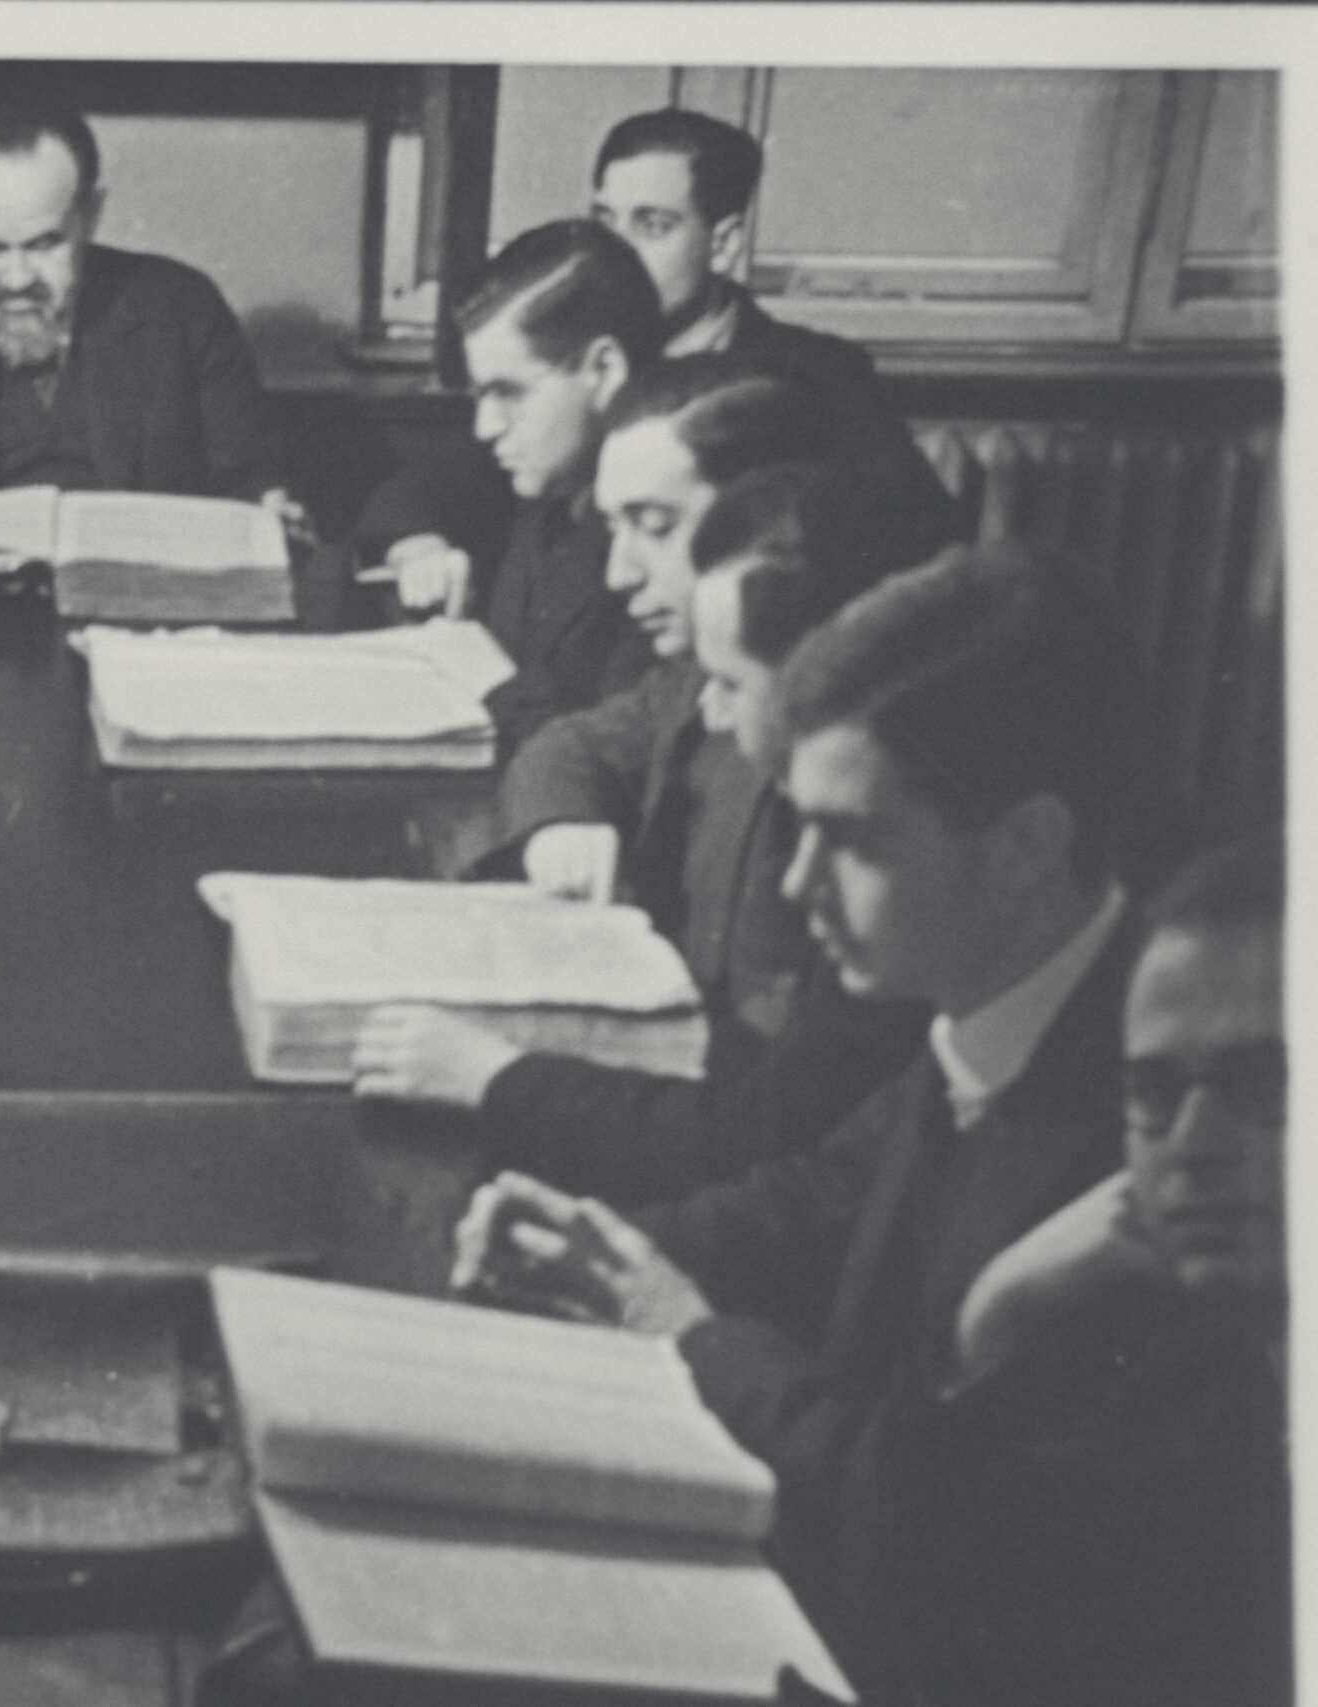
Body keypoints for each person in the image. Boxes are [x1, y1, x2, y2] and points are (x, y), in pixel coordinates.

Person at [446, 543, 1160, 1701]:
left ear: (1028, 844)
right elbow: (819, 1193)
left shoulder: (1168, 1125)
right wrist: (603, 1248)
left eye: (857, 840)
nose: (796, 887)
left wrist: (674, 1322)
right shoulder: (1003, 991)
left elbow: (919, 1515)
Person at [355, 409, 955, 1208]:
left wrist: (500, 1080)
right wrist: (562, 820)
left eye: (653, 525)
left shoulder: (886, 845)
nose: (619, 573)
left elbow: (769, 1130)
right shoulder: (715, 661)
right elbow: (579, 743)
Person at [895, 835, 1290, 1707]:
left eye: (1265, 1083)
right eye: (1153, 1091)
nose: (1191, 1143)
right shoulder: (1192, 1358)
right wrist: (994, 1317)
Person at [0, 91, 291, 549]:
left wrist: (270, 509)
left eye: (44, 245)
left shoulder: (183, 311)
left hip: (146, 620)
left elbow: (249, 480)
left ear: (92, 214)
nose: (16, 278)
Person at [359, 220, 666, 749]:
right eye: (482, 395)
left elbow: (615, 753)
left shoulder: (664, 536)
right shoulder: (551, 479)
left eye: (509, 393)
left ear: (605, 369)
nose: (486, 426)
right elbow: (406, 497)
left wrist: (477, 669)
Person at [589, 107, 921, 473]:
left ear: (724, 245)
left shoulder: (825, 376)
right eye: (604, 222)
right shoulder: (573, 364)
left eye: (653, 225)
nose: (613, 251)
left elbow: (913, 525)